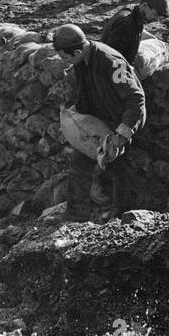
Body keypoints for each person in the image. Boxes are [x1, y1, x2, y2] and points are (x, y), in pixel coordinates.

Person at [51, 24, 146, 223]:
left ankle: (122, 213)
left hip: (124, 117)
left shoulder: (110, 62)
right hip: (103, 114)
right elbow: (86, 95)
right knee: (79, 160)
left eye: (65, 58)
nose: (64, 62)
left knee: (120, 163)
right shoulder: (81, 61)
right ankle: (75, 215)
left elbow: (135, 100)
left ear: (77, 51)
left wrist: (122, 133)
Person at [100, 0, 169, 80]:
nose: (156, 19)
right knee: (160, 52)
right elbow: (112, 57)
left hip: (122, 62)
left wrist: (152, 38)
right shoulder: (126, 24)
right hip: (114, 70)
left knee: (157, 45)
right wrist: (129, 80)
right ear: (145, 6)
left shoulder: (133, 10)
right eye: (155, 14)